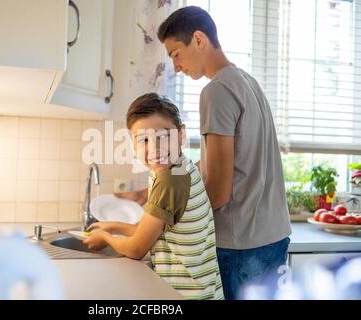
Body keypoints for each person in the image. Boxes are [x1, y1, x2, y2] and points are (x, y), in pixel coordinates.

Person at [155, 6, 292, 300]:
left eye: (175, 54)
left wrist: (164, 217)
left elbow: (218, 192)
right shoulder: (247, 83)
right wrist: (166, 185)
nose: (176, 67)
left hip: (240, 244)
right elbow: (221, 159)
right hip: (273, 238)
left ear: (199, 39)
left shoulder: (215, 91)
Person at [84, 93, 224, 300]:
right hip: (201, 291)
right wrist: (113, 226)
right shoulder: (178, 167)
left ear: (181, 135)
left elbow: (137, 248)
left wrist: (105, 238)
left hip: (185, 295)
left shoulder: (170, 180)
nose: (154, 148)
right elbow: (153, 230)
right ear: (133, 145)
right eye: (144, 140)